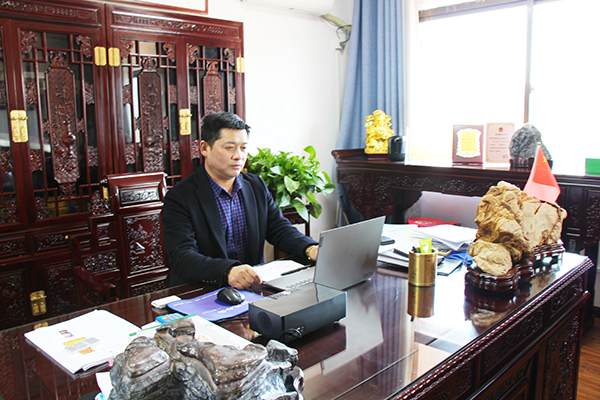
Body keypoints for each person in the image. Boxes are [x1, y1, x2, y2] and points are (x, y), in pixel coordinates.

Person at [163, 112, 319, 289]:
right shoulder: (180, 197)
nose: (238, 156)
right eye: (230, 148)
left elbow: (278, 228)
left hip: (251, 287)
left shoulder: (255, 185)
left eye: (243, 148)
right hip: (204, 289)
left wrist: (310, 249)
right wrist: (227, 271)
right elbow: (182, 256)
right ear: (205, 148)